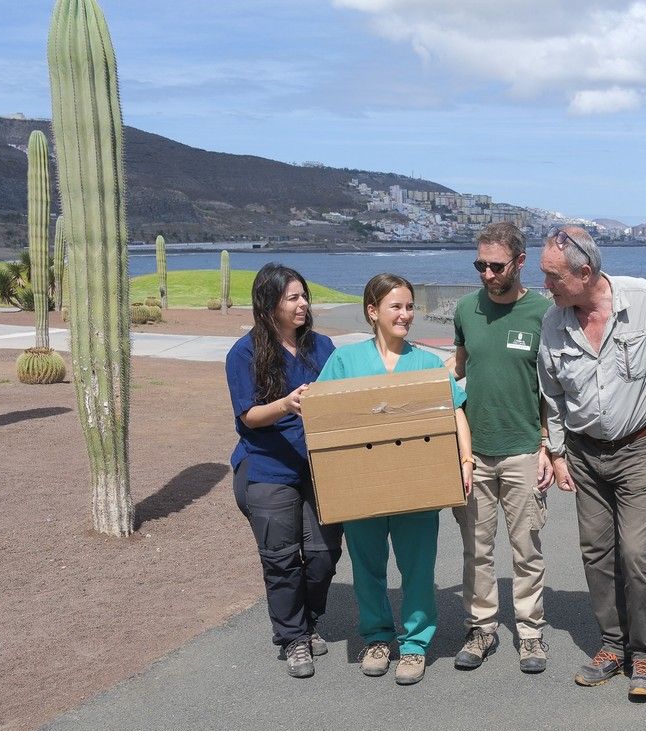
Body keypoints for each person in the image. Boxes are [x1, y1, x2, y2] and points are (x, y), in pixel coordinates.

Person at [537, 225, 646, 699]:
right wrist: (556, 452)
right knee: (596, 553)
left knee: (636, 555)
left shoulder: (644, 299)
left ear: (585, 271)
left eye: (553, 277)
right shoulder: (553, 321)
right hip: (582, 452)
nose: (547, 287)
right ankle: (611, 646)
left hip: (639, 448)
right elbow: (552, 394)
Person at [317, 273, 472, 686]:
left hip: (418, 485)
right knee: (367, 566)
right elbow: (322, 417)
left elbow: (455, 410)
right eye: (396, 307)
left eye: (409, 307)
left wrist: (465, 461)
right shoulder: (345, 362)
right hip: (361, 485)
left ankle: (415, 644)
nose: (406, 315)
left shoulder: (424, 363)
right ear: (373, 312)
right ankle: (377, 638)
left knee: (418, 567)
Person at [225, 263, 343, 679]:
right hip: (268, 467)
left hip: (318, 466)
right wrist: (287, 404)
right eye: (292, 297)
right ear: (269, 304)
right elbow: (249, 416)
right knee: (281, 559)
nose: (302, 304)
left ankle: (308, 622)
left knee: (323, 555)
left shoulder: (323, 347)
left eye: (304, 296)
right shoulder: (244, 353)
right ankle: (293, 638)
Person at [451, 223, 555, 674]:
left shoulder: (544, 313)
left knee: (526, 548)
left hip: (523, 450)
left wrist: (549, 447)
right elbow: (457, 374)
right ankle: (481, 627)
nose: (488, 274)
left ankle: (530, 633)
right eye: (481, 265)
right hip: (475, 453)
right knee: (476, 547)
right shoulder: (465, 310)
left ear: (519, 261)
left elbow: (554, 388)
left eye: (496, 265)